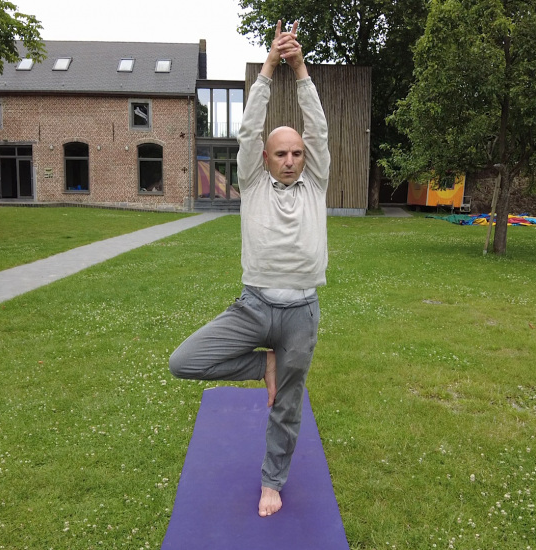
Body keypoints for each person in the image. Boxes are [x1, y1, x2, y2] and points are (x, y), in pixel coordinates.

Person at [169, 20, 329, 518]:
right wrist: (268, 68)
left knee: (287, 403)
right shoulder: (254, 183)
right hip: (254, 305)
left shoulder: (315, 184)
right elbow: (247, 127)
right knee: (184, 361)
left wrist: (299, 68)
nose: (289, 160)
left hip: (301, 313)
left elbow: (318, 127)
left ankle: (272, 481)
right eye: (280, 153)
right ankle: (264, 364)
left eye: (296, 153)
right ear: (264, 158)